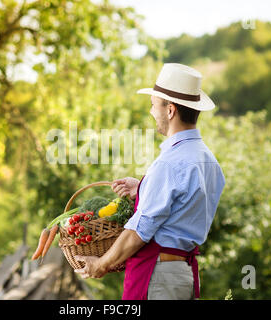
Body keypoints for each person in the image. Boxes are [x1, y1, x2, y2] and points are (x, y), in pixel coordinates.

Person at [74, 63, 226, 300]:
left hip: (158, 276)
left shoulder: (169, 163)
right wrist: (143, 188)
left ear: (170, 110)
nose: (151, 112)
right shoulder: (209, 162)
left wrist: (101, 264)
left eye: (153, 105)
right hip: (182, 273)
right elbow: (182, 206)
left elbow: (140, 231)